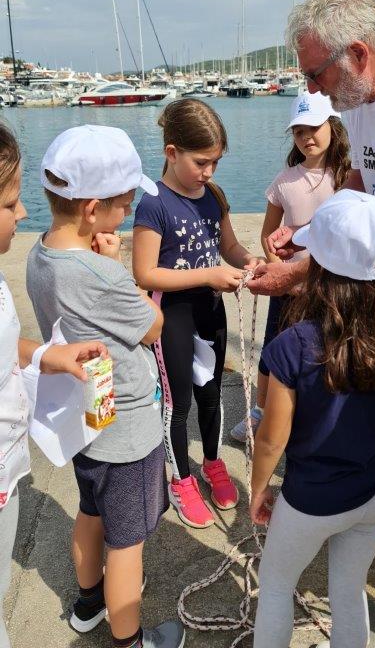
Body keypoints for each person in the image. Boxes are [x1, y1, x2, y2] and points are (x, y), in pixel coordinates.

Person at [248, 0, 375, 574]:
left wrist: (294, 274)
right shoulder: (364, 90)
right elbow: (359, 184)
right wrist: (306, 232)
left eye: (314, 74)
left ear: (356, 53)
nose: (310, 89)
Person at [26, 125, 184, 648]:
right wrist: (113, 266)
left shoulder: (39, 254)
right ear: (93, 209)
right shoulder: (102, 275)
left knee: (91, 510)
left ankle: (88, 603)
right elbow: (152, 326)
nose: (131, 209)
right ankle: (130, 639)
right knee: (128, 544)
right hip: (127, 427)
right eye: (125, 202)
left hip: (88, 413)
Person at [250, 189, 375, 648]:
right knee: (349, 590)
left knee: (276, 586)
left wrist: (259, 488)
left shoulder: (293, 345)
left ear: (320, 266)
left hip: (310, 500)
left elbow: (271, 438)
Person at [0, 122, 112, 648]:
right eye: (9, 204)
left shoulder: (17, 266)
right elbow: (147, 324)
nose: (23, 214)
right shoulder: (86, 267)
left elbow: (7, 343)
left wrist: (46, 354)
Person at [133, 98, 261, 529]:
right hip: (172, 316)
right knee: (179, 402)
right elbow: (144, 273)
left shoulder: (214, 196)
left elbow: (229, 246)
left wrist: (250, 262)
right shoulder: (153, 203)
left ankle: (211, 462)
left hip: (210, 311)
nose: (208, 172)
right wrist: (209, 274)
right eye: (201, 162)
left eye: (215, 163)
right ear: (172, 152)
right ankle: (181, 478)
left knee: (212, 395)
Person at [230, 91, 350, 442]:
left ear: (333, 126)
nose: (307, 137)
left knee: (329, 350)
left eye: (314, 127)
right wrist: (279, 273)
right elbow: (269, 234)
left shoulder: (347, 176)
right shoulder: (284, 180)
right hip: (289, 288)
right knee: (273, 348)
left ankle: (318, 413)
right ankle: (260, 412)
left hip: (333, 286)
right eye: (299, 131)